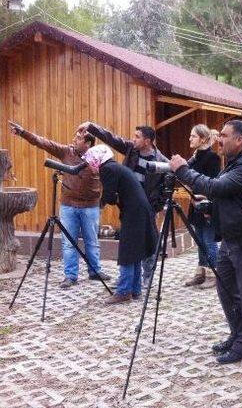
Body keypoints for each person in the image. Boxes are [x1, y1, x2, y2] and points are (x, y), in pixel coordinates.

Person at [169, 120, 242, 364]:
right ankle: (237, 335)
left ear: (240, 141)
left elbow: (217, 186)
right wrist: (211, 207)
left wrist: (183, 170)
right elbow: (231, 196)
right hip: (231, 239)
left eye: (224, 135)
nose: (219, 139)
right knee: (226, 291)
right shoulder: (235, 161)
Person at [10, 124, 110, 288]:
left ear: (88, 144)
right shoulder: (66, 151)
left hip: (91, 207)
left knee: (91, 241)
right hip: (68, 206)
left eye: (78, 138)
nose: (73, 140)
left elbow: (109, 177)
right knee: (68, 242)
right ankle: (70, 276)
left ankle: (95, 272)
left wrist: (103, 200)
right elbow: (42, 142)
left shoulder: (98, 156)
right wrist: (22, 133)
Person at [77, 122, 168, 288]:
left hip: (147, 206)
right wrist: (91, 127)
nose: (133, 139)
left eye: (137, 137)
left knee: (148, 241)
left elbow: (166, 187)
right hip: (128, 204)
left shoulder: (161, 161)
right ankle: (127, 280)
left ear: (147, 141)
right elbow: (110, 138)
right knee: (129, 244)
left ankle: (147, 276)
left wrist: (157, 205)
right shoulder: (131, 149)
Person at [83, 145, 158, 305]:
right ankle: (135, 289)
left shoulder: (107, 169)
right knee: (135, 251)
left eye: (90, 162)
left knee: (127, 252)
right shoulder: (114, 166)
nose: (89, 166)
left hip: (134, 213)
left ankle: (124, 291)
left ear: (97, 160)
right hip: (139, 210)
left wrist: (101, 204)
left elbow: (109, 196)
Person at [183, 125, 221, 287]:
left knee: (209, 240)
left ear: (203, 139)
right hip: (195, 202)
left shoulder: (213, 158)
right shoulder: (195, 157)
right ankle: (201, 272)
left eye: (193, 136)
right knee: (199, 239)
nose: (190, 139)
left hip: (206, 204)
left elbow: (213, 183)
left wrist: (207, 203)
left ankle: (214, 275)